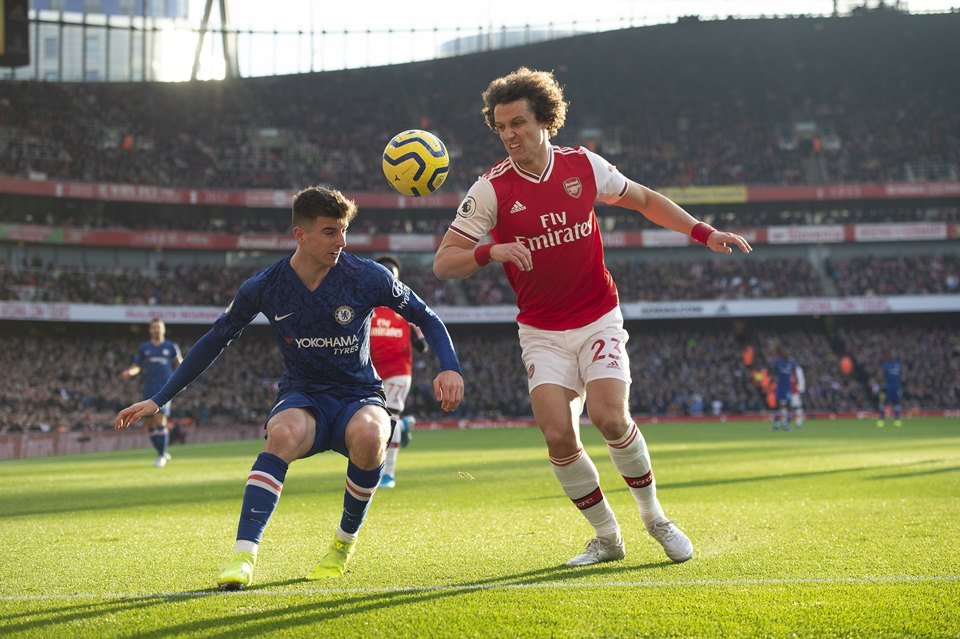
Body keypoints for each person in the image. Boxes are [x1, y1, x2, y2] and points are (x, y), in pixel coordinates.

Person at [433, 67, 752, 566]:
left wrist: (704, 232)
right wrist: (490, 252)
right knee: (558, 433)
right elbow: (444, 262)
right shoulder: (490, 190)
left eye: (518, 122)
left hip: (598, 317)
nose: (509, 134)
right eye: (501, 126)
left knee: (609, 416)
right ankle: (607, 537)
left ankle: (655, 518)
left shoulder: (583, 166)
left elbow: (644, 200)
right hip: (540, 330)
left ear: (546, 121)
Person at [115, 186, 464, 590]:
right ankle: (243, 556)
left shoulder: (367, 276)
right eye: (330, 232)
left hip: (358, 394)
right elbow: (216, 338)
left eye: (344, 230)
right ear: (300, 235)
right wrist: (160, 399)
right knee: (280, 435)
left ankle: (343, 545)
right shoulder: (266, 285)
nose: (341, 241)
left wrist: (449, 367)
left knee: (372, 435)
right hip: (304, 395)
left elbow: (428, 317)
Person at [370, 255, 429, 488]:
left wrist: (419, 336)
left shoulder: (405, 307)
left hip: (397, 370)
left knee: (390, 418)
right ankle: (404, 426)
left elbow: (422, 345)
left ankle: (388, 474)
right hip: (369, 372)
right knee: (370, 421)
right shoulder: (364, 305)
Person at [120, 318, 183, 467]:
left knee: (160, 419)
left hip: (165, 388)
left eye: (159, 327)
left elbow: (180, 364)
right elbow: (137, 366)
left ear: (164, 329)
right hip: (149, 388)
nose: (157, 330)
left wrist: (182, 380)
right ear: (150, 330)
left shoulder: (171, 346)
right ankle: (162, 452)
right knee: (149, 423)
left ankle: (161, 455)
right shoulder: (145, 347)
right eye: (154, 327)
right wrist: (131, 372)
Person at [771, 347, 799, 431]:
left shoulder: (791, 362)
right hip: (779, 387)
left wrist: (796, 383)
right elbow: (774, 373)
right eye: (785, 353)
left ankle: (786, 424)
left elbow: (795, 374)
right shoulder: (778, 362)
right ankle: (776, 423)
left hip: (787, 387)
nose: (786, 354)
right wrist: (774, 382)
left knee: (788, 405)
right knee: (777, 405)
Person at [877, 353, 903, 427]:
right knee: (884, 404)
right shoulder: (886, 364)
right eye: (890, 355)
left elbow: (900, 375)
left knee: (897, 404)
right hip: (888, 388)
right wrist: (882, 384)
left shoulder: (898, 365)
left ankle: (897, 420)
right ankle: (881, 420)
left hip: (896, 387)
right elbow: (882, 375)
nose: (892, 356)